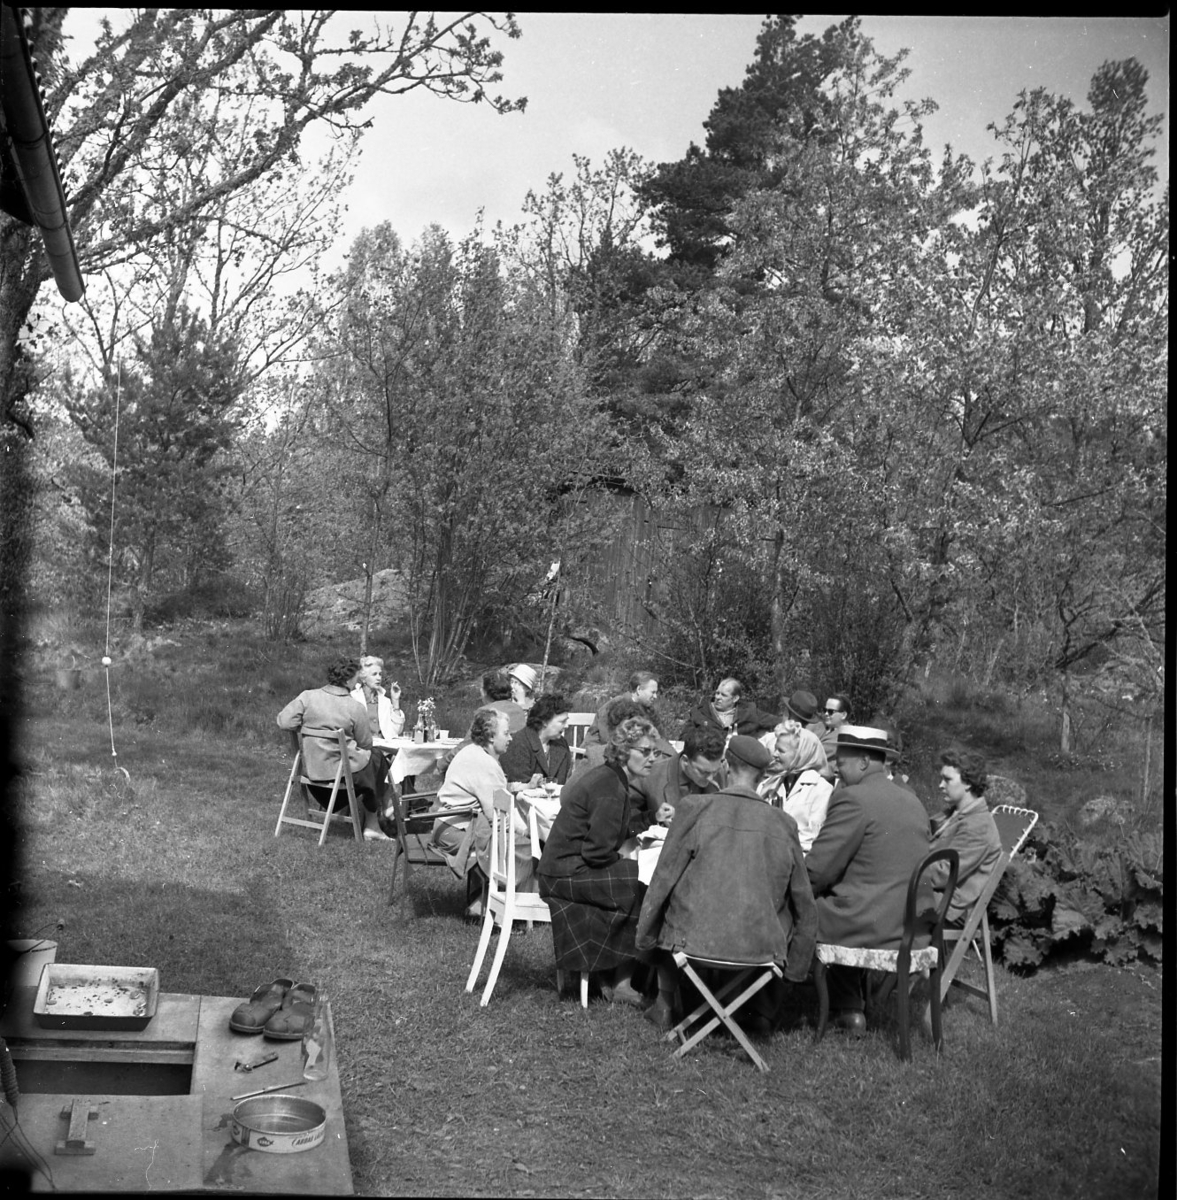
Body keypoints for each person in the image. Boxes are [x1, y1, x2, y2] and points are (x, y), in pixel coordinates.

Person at [637, 735, 818, 1035]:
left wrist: (645, 939)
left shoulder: (695, 808)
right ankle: (759, 1009)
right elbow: (805, 902)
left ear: (725, 765)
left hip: (691, 943)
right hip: (759, 951)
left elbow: (663, 879)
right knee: (780, 905)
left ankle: (666, 1000)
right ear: (763, 776)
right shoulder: (784, 824)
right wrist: (796, 969)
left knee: (674, 893)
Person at [805, 724, 930, 1035]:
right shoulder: (912, 800)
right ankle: (849, 1006)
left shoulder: (853, 799)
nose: (835, 766)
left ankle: (768, 1004)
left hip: (870, 924)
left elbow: (818, 872)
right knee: (839, 898)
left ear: (863, 762)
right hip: (911, 925)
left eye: (840, 760)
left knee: (797, 903)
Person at [537, 717, 660, 1006]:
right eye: (645, 751)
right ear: (623, 751)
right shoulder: (611, 788)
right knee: (641, 885)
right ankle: (622, 983)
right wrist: (623, 863)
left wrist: (651, 818)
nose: (652, 758)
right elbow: (597, 854)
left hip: (561, 868)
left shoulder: (610, 777)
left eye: (655, 752)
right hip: (565, 874)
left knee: (634, 876)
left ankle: (609, 973)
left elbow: (612, 832)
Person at [430, 709, 534, 916]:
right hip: (456, 832)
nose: (511, 738)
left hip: (447, 826)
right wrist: (528, 832)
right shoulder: (484, 763)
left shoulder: (472, 752)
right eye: (506, 733)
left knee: (508, 841)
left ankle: (482, 903)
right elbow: (499, 816)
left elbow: (494, 801)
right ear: (490, 736)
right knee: (524, 847)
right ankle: (513, 909)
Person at [276, 655, 390, 841]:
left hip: (311, 773)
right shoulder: (354, 707)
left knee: (373, 761)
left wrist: (306, 728)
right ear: (347, 679)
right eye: (355, 677)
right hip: (340, 779)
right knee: (376, 758)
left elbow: (283, 721)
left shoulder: (308, 697)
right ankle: (375, 822)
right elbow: (366, 744)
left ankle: (376, 820)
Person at [926, 748, 1002, 926]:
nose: (940, 785)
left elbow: (945, 874)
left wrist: (901, 870)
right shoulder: (954, 814)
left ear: (968, 783)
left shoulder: (978, 826)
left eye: (947, 780)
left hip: (949, 908)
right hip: (934, 894)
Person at [758, 723, 833, 853]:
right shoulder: (768, 785)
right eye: (775, 749)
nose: (774, 754)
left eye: (781, 751)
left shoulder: (821, 789)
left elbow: (812, 837)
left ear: (800, 754)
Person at [633, 725, 727, 823]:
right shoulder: (650, 775)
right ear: (685, 760)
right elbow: (626, 821)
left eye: (715, 771)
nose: (710, 778)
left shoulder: (720, 772)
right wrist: (653, 818)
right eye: (703, 772)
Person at [499, 693, 574, 787]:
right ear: (545, 721)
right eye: (562, 721)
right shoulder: (518, 743)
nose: (566, 726)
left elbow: (566, 783)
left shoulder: (561, 744)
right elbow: (517, 787)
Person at [678, 677, 779, 741]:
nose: (718, 697)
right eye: (717, 693)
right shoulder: (700, 712)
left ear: (735, 698)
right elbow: (684, 737)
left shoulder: (749, 711)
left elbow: (778, 722)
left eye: (723, 695)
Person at [586, 671, 660, 746]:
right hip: (599, 749)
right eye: (652, 692)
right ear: (639, 689)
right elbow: (606, 736)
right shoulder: (616, 705)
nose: (655, 696)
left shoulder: (648, 709)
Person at [819, 693, 851, 767]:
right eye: (824, 710)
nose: (826, 714)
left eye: (830, 712)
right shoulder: (823, 728)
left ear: (843, 715)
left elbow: (815, 755)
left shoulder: (845, 737)